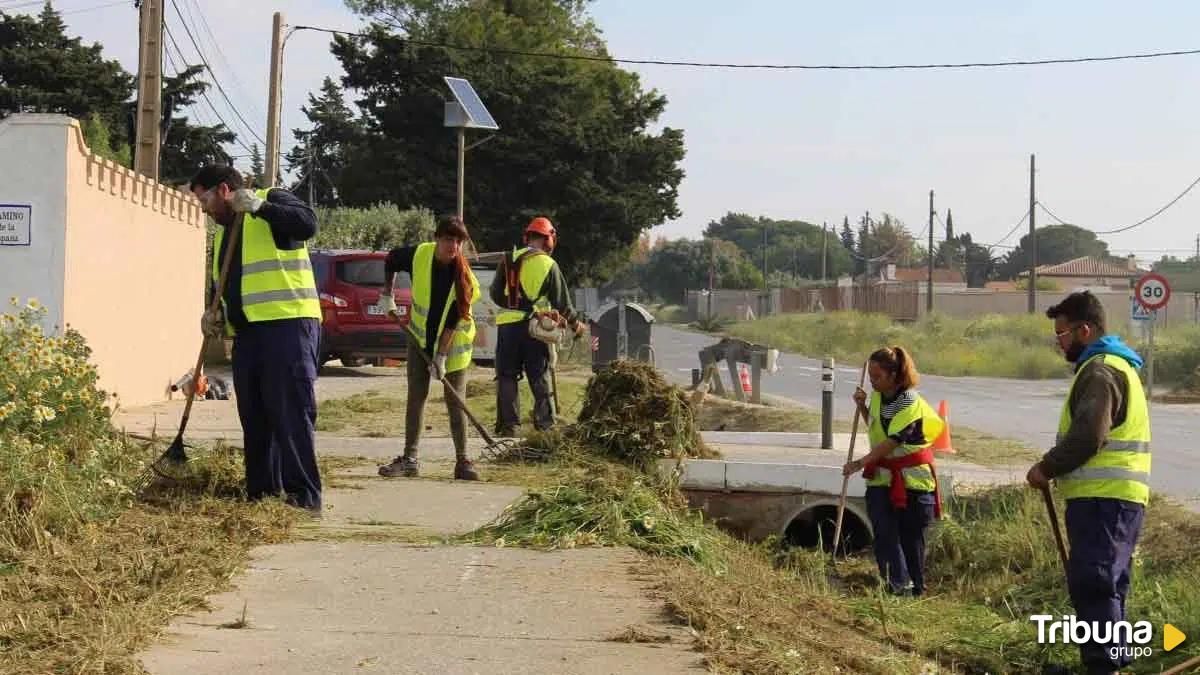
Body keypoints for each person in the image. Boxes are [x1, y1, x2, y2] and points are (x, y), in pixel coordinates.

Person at [1026, 291, 1150, 675]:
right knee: (1105, 583)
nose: (1059, 341)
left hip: (1105, 499)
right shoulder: (1106, 366)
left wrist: (1047, 467)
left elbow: (1088, 436)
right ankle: (1106, 663)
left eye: (1062, 334)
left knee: (1094, 581)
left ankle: (1103, 666)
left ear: (1085, 329)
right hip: (1107, 499)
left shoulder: (1101, 370)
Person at [190, 165, 323, 513]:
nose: (203, 208)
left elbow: (307, 224)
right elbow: (225, 284)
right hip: (249, 334)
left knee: (291, 413)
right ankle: (262, 493)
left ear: (223, 190)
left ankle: (304, 497)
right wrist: (214, 313)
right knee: (255, 415)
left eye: (204, 198)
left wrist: (260, 208)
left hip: (289, 325)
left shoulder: (269, 200)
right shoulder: (223, 235)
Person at [374, 216, 481, 481]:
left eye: (458, 241)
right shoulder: (419, 255)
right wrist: (387, 294)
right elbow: (390, 259)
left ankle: (463, 461)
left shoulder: (464, 278)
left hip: (453, 346)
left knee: (455, 403)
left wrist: (441, 357)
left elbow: (452, 323)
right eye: (448, 239)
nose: (452, 245)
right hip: (419, 339)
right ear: (437, 238)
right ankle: (410, 459)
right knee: (416, 398)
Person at [842, 346, 944, 596]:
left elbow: (893, 441)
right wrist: (863, 406)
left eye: (877, 377)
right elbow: (878, 428)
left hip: (913, 481)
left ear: (893, 375)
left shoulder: (909, 401)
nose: (872, 382)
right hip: (881, 479)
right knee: (884, 534)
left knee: (911, 539)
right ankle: (896, 586)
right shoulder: (877, 397)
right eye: (870, 376)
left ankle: (915, 589)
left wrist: (859, 463)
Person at [490, 216, 584, 436]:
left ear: (527, 237)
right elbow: (562, 303)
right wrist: (575, 324)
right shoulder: (549, 265)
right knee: (538, 375)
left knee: (506, 376)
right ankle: (544, 424)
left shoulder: (509, 259)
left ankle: (509, 427)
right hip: (536, 330)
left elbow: (495, 294)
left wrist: (515, 306)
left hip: (508, 329)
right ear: (549, 239)